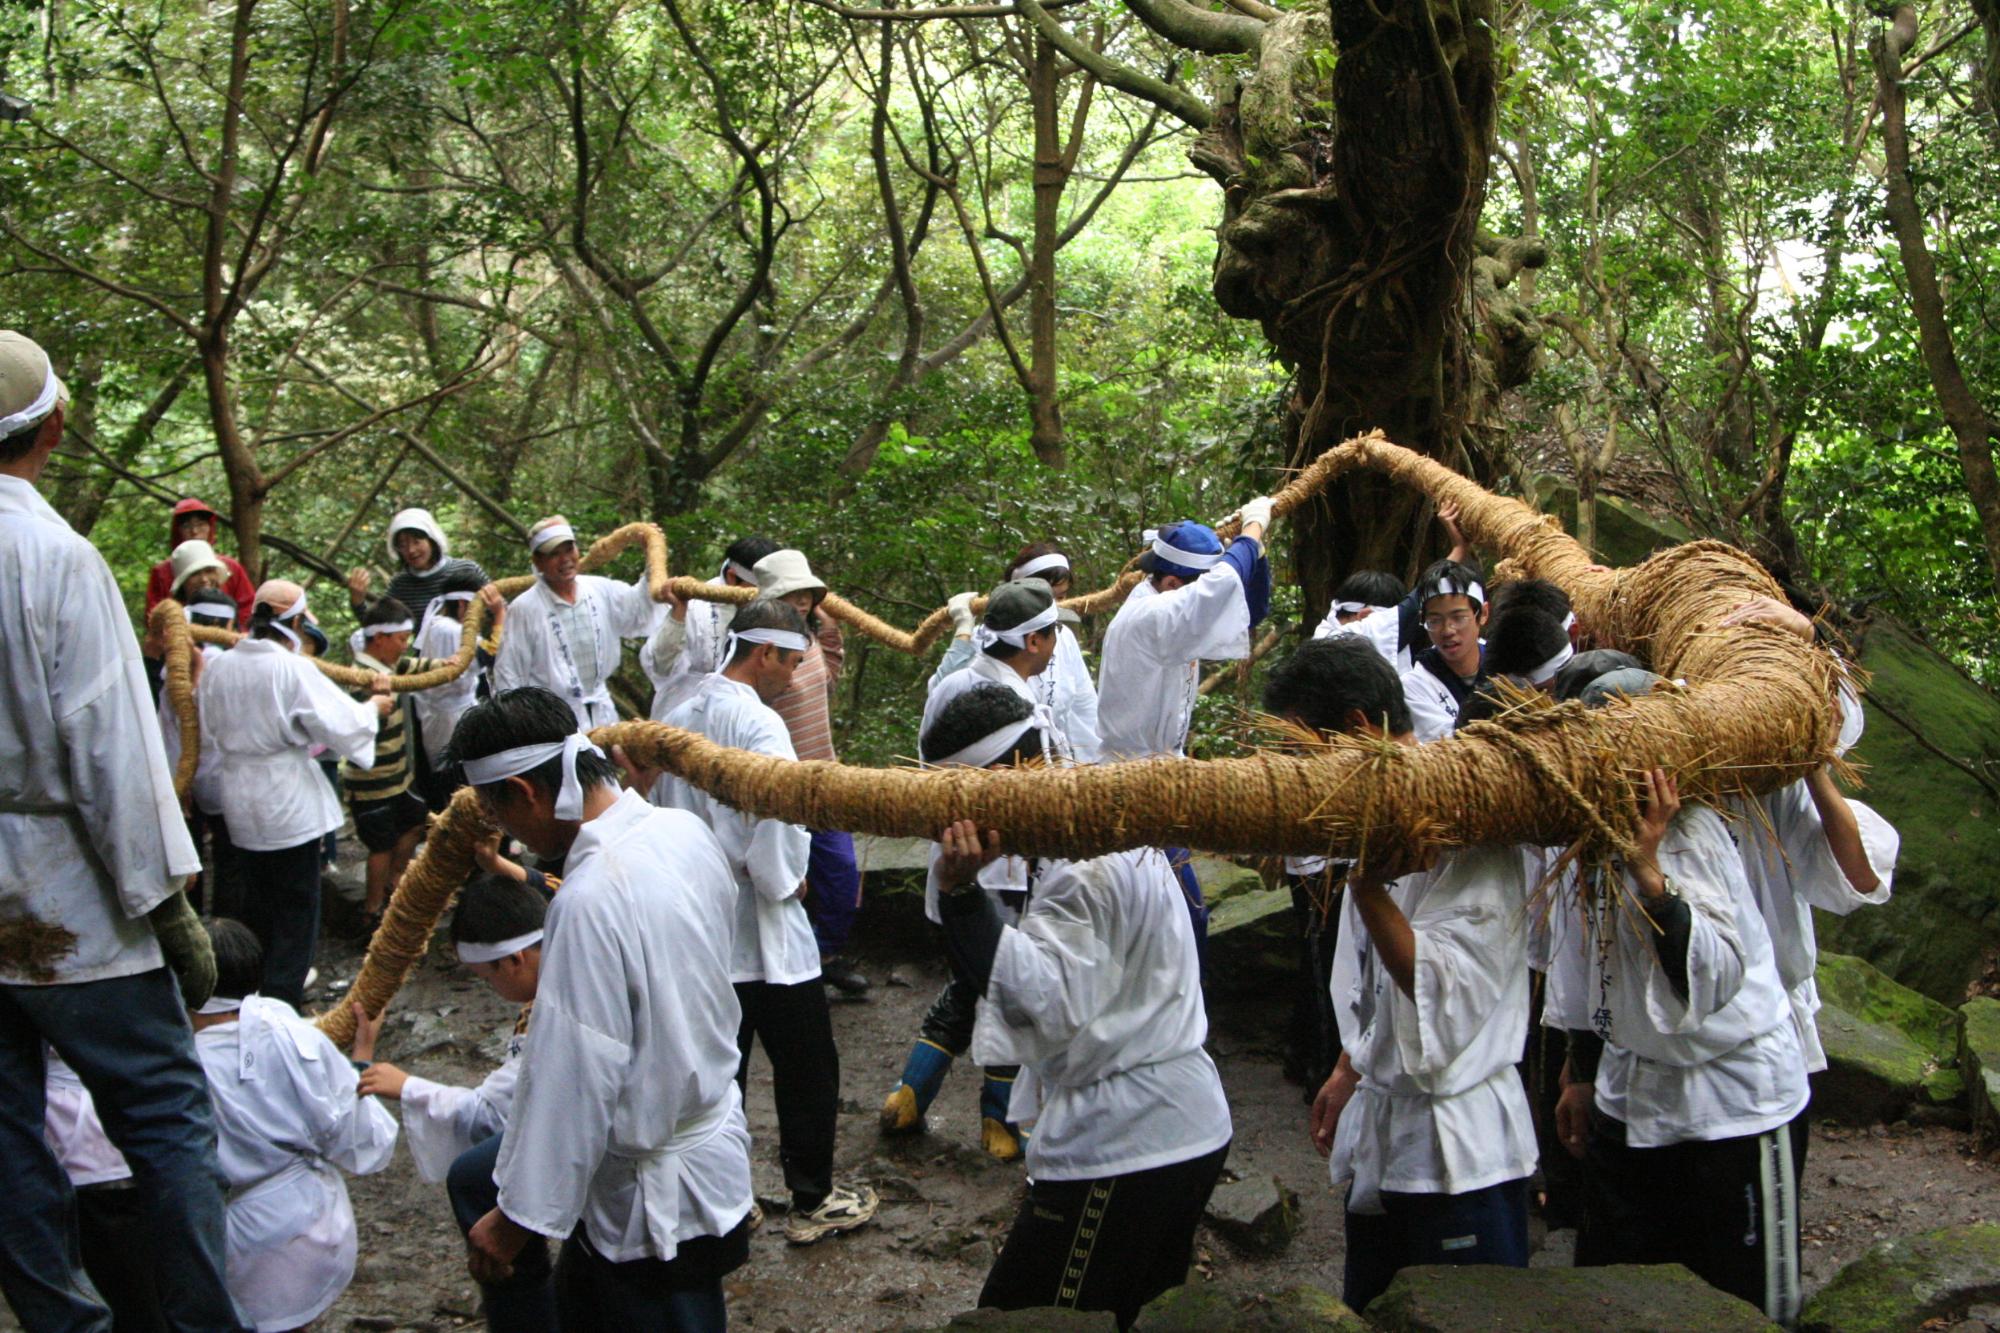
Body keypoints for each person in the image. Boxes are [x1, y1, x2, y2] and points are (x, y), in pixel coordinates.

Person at [0, 330, 246, 1333]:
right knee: (165, 1118)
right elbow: (110, 754)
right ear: (56, 424)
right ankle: (198, 1323)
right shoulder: (57, 558)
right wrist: (167, 902)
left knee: (7, 1135)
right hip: (77, 904)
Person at [923, 686, 1232, 1329]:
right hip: (1178, 1126)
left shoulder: (1079, 871)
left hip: (1126, 1142)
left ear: (1009, 776)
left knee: (1023, 1317)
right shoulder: (1108, 828)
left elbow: (1043, 1005)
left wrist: (959, 896)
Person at [451, 688, 754, 1330]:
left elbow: (578, 1071)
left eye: (495, 809)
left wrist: (517, 1220)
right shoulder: (683, 830)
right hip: (704, 1137)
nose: (502, 831)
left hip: (653, 1194)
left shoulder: (589, 899)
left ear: (525, 792)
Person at [1267, 639, 1538, 1312]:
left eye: (1305, 755)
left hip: (1457, 1155)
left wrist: (1365, 887)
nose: (1306, 778)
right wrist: (1350, 1063)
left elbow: (1442, 982)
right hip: (1387, 1133)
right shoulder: (1379, 820)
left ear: (1358, 729)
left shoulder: (1471, 824)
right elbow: (1377, 983)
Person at [1546, 669, 1809, 1325]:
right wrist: (1581, 1068)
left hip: (1736, 1099)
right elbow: (1582, 958)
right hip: (1635, 1090)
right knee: (1617, 1292)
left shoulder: (1695, 834)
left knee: (1741, 1301)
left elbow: (1715, 971)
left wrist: (1651, 873)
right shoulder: (1585, 838)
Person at [647, 598, 880, 1245]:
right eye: (794, 661)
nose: (796, 675)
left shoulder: (680, 711)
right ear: (766, 653)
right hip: (761, 929)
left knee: (722, 1066)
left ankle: (722, 1195)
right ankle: (813, 1197)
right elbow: (777, 841)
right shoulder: (759, 726)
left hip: (696, 923)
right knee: (807, 1063)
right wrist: (788, 877)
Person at [349, 872, 558, 1333]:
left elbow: (492, 1114)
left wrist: (407, 1086)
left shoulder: (557, 1006)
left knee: (473, 1176)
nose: (490, 990)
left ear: (517, 959)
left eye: (487, 979)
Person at [192, 919, 398, 1332]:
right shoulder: (291, 1034)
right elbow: (361, 1141)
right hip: (308, 1225)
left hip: (223, 1233)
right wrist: (361, 1059)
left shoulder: (168, 1059)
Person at [881, 683, 1057, 1161]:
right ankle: (992, 1114)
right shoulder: (967, 694)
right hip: (981, 886)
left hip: (1004, 888)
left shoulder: (1073, 846)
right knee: (984, 985)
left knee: (984, 985)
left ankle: (919, 1093)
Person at [1094, 498, 1274, 947]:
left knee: (1181, 921)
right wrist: (1252, 530)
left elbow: (1248, 607)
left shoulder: (1165, 604)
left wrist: (1256, 549)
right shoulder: (1152, 617)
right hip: (1133, 787)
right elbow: (1223, 587)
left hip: (1159, 781)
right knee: (1176, 923)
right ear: (1173, 582)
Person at [201, 578, 389, 1006]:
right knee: (296, 905)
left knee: (255, 900)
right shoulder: (291, 667)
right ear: (298, 621)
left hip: (238, 795)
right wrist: (373, 709)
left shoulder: (220, 666)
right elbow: (342, 725)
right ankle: (281, 996)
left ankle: (249, 986)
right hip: (283, 799)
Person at [752, 548, 870, 996]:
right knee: (786, 882)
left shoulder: (813, 639)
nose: (801, 602)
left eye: (806, 593)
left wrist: (830, 628)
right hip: (781, 785)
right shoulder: (761, 651)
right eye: (791, 594)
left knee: (840, 876)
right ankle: (791, 970)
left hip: (824, 777)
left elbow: (829, 676)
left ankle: (825, 956)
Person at [492, 515, 662, 730]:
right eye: (554, 554)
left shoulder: (600, 589)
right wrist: (519, 727)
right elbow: (509, 672)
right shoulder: (524, 608)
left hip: (601, 712)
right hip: (550, 719)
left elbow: (639, 609)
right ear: (538, 561)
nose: (565, 560)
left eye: (569, 550)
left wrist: (651, 560)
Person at [924, 578, 1085, 760]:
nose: (1057, 642)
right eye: (1055, 629)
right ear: (1033, 641)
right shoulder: (1018, 714)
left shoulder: (949, 684)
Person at [161, 588, 244, 918]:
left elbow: (167, 731)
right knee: (231, 865)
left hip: (187, 779)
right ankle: (228, 936)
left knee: (190, 864)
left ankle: (195, 932)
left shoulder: (173, 667)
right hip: (225, 779)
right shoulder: (228, 665)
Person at [642, 534, 778, 723]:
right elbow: (661, 666)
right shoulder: (694, 603)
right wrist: (678, 614)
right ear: (732, 577)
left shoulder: (767, 610)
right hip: (683, 714)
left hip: (739, 716)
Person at [410, 567, 507, 810]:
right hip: (450, 716)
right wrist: (500, 616)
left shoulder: (437, 625)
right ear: (465, 605)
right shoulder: (449, 629)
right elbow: (488, 655)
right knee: (460, 784)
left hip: (447, 713)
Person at [346, 505, 491, 621]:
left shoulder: (466, 569)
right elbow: (380, 629)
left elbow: (498, 607)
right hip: (427, 657)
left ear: (432, 541)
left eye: (417, 542)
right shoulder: (401, 585)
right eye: (403, 545)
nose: (411, 550)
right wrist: (358, 601)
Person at [1400, 558, 1489, 742]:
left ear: (1483, 614)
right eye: (1435, 621)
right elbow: (1450, 749)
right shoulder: (1414, 687)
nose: (1447, 630)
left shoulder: (1509, 665)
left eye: (1458, 618)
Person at [145, 496, 256, 624]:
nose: (195, 531)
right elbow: (154, 615)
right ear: (177, 531)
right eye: (187, 526)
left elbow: (247, 608)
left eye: (201, 525)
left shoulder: (231, 567)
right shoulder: (163, 572)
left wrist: (236, 637)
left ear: (210, 528)